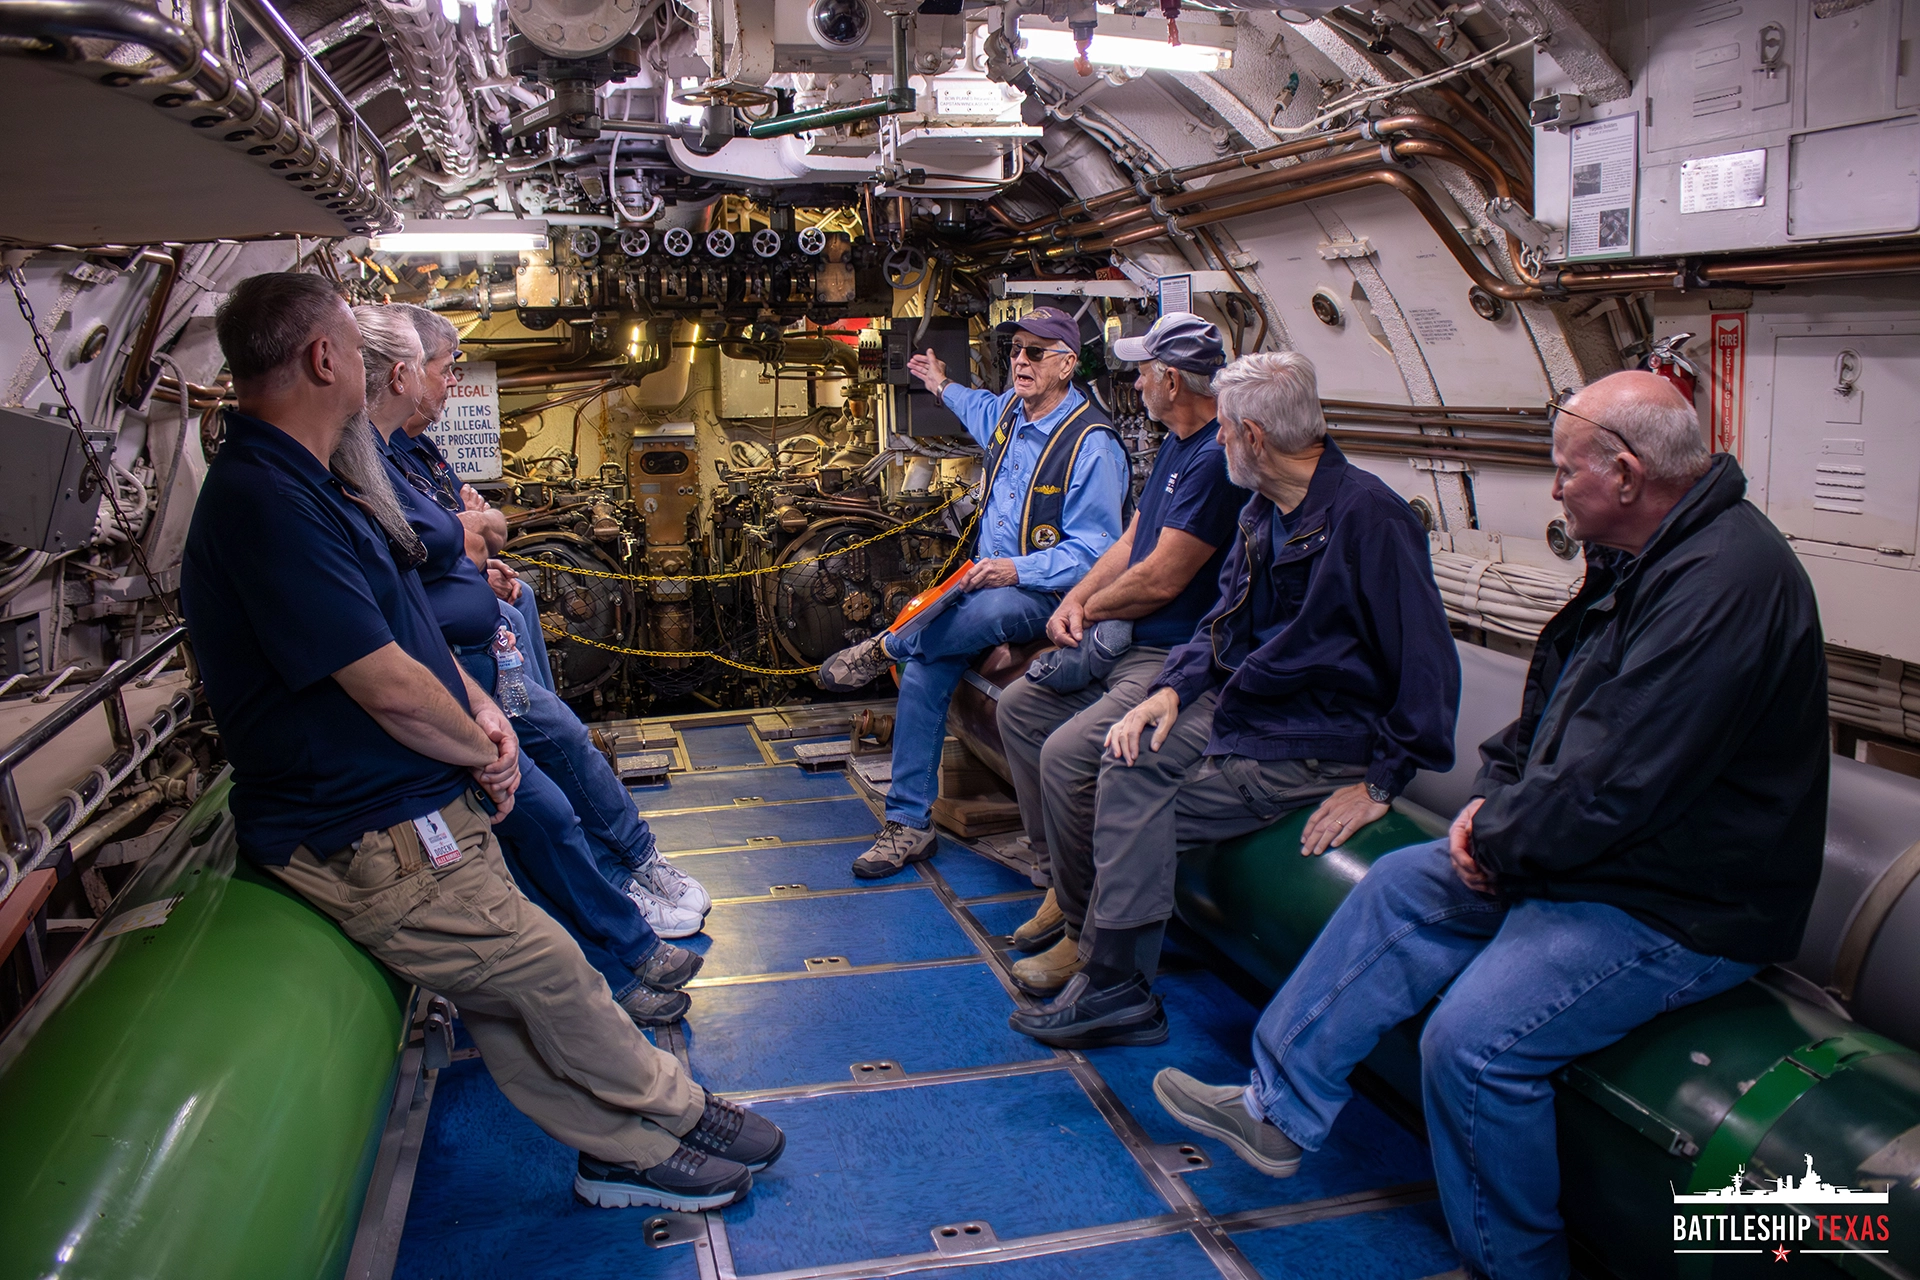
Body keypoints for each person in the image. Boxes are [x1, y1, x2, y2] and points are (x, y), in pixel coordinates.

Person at [1153, 371, 1829, 1280]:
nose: (1554, 490)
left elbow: (1624, 776)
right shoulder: (1642, 555)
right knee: (1398, 883)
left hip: (1682, 902)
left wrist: (1500, 843)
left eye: (1565, 471)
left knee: (1473, 1048)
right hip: (1601, 853)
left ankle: (1516, 1266)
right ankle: (1278, 1110)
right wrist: (1493, 802)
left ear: (1626, 475)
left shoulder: (1724, 586)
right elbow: (1558, 706)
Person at [180, 272, 782, 1213]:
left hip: (408, 802)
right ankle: (677, 1109)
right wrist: (480, 745)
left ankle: (619, 1150)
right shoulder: (265, 502)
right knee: (549, 971)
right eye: (359, 347)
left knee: (510, 998)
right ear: (325, 359)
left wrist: (481, 709)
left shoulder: (315, 480)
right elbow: (380, 679)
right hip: (365, 827)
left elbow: (401, 625)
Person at [1010, 352, 1460, 1048]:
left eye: (1223, 428)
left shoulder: (1370, 518)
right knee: (1126, 751)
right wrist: (1170, 690)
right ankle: (1111, 973)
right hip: (1246, 710)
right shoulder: (1262, 511)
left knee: (1122, 796)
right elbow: (1222, 623)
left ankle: (1115, 984)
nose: (1215, 438)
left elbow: (1427, 660)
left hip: (1311, 736)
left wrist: (1383, 779)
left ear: (1252, 435)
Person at [353, 304, 697, 1026]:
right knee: (542, 806)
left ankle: (628, 929)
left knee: (551, 792)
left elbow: (467, 540)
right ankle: (619, 952)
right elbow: (434, 560)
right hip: (444, 683)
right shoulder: (358, 468)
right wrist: (470, 539)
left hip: (469, 671)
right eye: (441, 367)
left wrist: (475, 548)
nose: (448, 381)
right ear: (398, 374)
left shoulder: (402, 455)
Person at [816, 306, 1127, 879]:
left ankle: (886, 647)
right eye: (1015, 350)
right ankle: (909, 823)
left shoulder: (1092, 444)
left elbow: (1097, 551)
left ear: (1067, 365)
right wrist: (939, 383)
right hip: (987, 579)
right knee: (926, 669)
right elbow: (975, 406)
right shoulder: (1009, 412)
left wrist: (1016, 569)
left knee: (989, 609)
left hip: (1048, 592)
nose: (1020, 361)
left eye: (1035, 352)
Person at [995, 312, 1247, 988]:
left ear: (1172, 380)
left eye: (1143, 373)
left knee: (1067, 753)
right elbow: (1132, 540)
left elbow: (1163, 577)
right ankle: (1060, 879)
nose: (1135, 384)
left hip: (1174, 660)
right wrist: (1078, 598)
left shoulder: (1216, 461)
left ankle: (1086, 932)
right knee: (1019, 708)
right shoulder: (1175, 446)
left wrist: (1090, 607)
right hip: (1129, 644)